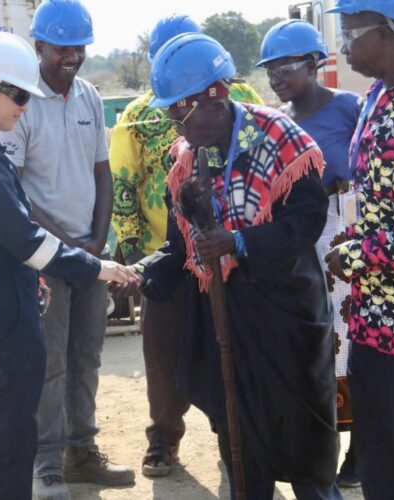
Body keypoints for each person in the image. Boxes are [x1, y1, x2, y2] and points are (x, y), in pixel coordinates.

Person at [0, 31, 137, 500]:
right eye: (19, 95)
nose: (26, 106)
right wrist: (96, 267)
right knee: (9, 435)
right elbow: (25, 239)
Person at [134, 32, 342, 499]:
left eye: (178, 110)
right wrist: (142, 272)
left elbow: (306, 221)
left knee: (303, 442)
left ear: (216, 96)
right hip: (225, 321)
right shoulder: (186, 158)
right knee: (241, 446)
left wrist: (241, 241)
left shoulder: (283, 141)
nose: (173, 122)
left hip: (286, 320)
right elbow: (178, 243)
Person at [109, 13, 263, 478]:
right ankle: (163, 438)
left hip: (232, 253)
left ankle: (229, 434)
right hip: (170, 254)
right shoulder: (138, 117)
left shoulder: (245, 99)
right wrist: (135, 253)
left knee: (231, 350)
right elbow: (124, 183)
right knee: (162, 353)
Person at [0, 1, 135, 497]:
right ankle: (48, 462)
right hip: (46, 260)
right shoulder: (20, 102)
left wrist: (96, 244)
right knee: (51, 361)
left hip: (90, 257)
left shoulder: (90, 97)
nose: (72, 56)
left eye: (79, 47)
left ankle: (82, 450)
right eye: (62, 47)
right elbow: (14, 191)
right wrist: (69, 247)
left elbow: (103, 170)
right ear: (39, 47)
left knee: (87, 356)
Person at [257, 19, 362, 489]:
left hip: (348, 242)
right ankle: (321, 455)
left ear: (315, 64)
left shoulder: (349, 109)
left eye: (287, 67)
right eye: (271, 71)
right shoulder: (278, 123)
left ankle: (361, 453)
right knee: (316, 348)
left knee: (354, 344)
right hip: (303, 248)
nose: (278, 78)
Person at [324, 1, 394, 499]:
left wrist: (360, 255)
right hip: (374, 320)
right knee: (381, 462)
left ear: (388, 33)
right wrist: (358, 241)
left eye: (350, 33)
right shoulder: (380, 97)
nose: (342, 47)